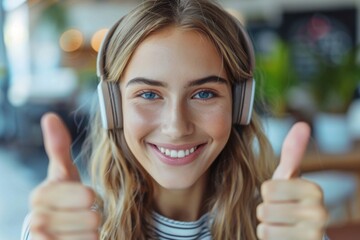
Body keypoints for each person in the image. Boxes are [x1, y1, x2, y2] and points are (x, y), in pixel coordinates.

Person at [22, 0, 329, 239]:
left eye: (204, 94)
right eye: (149, 94)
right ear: (114, 107)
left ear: (240, 105)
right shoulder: (64, 226)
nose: (176, 126)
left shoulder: (284, 222)